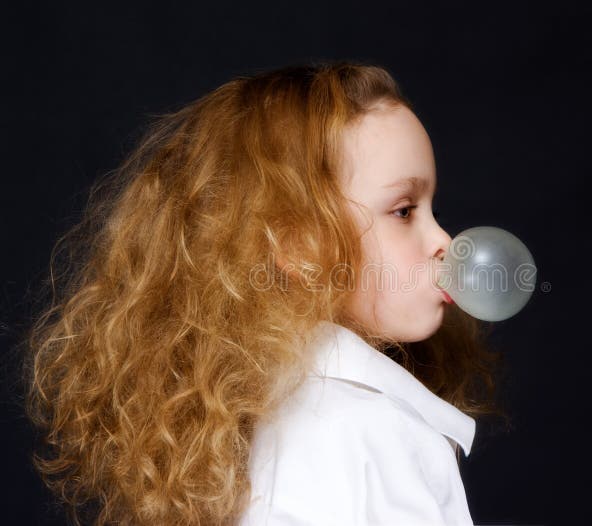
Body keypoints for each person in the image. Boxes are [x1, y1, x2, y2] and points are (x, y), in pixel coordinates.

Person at [23, 60, 510, 525]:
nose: (445, 241)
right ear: (297, 244)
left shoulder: (307, 418)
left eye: (433, 210)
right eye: (404, 211)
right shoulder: (353, 430)